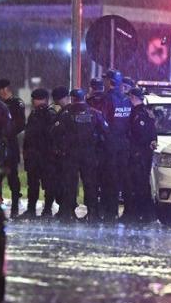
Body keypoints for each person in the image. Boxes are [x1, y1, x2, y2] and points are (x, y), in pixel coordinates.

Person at [50, 88, 107, 222]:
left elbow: (54, 132)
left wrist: (61, 146)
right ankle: (93, 213)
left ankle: (68, 212)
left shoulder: (66, 114)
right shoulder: (94, 113)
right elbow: (105, 130)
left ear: (72, 99)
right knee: (90, 184)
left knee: (70, 184)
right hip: (89, 154)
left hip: (71, 154)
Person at [98, 69, 132, 222]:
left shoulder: (106, 99)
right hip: (123, 145)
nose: (103, 82)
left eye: (105, 79)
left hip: (109, 145)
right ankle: (125, 212)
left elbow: (103, 121)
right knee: (120, 179)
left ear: (110, 82)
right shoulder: (126, 99)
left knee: (108, 179)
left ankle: (109, 212)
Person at [125, 87, 158, 224]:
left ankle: (142, 214)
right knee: (140, 184)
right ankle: (142, 214)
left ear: (133, 97)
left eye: (129, 97)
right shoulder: (145, 112)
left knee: (139, 185)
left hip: (139, 155)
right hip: (141, 155)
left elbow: (142, 135)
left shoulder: (140, 114)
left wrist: (136, 151)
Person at [0, 78, 26, 218]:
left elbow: (20, 124)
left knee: (12, 176)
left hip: (10, 143)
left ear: (4, 90)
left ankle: (14, 208)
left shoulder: (16, 103)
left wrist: (6, 132)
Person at [21, 88, 53, 220]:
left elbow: (51, 136)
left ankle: (47, 210)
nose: (34, 102)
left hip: (46, 156)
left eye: (36, 99)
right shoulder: (33, 115)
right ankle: (31, 209)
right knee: (33, 184)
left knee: (48, 184)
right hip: (33, 156)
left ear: (44, 100)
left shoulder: (50, 114)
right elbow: (28, 136)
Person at [43, 86, 71, 216]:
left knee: (65, 183)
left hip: (65, 154)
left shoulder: (66, 113)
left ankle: (66, 209)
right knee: (63, 182)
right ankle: (65, 209)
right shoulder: (64, 112)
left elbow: (57, 132)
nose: (57, 102)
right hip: (64, 153)